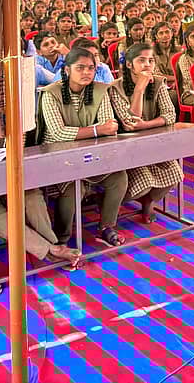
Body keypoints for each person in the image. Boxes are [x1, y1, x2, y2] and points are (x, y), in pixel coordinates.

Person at [36, 48, 128, 247]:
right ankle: (62, 238)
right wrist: (97, 130)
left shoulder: (100, 90)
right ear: (67, 70)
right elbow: (58, 134)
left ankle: (106, 226)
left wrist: (98, 130)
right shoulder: (50, 93)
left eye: (91, 68)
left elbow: (109, 127)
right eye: (80, 68)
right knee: (72, 190)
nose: (86, 72)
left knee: (119, 178)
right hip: (58, 156)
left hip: (92, 153)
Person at [109, 43, 184, 223]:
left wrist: (146, 125)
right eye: (141, 60)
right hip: (127, 147)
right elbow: (131, 122)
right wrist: (139, 89)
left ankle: (148, 202)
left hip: (153, 143)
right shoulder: (116, 88)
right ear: (129, 64)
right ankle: (111, 203)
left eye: (151, 60)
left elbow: (170, 115)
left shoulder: (158, 83)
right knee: (143, 183)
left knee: (175, 175)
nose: (147, 65)